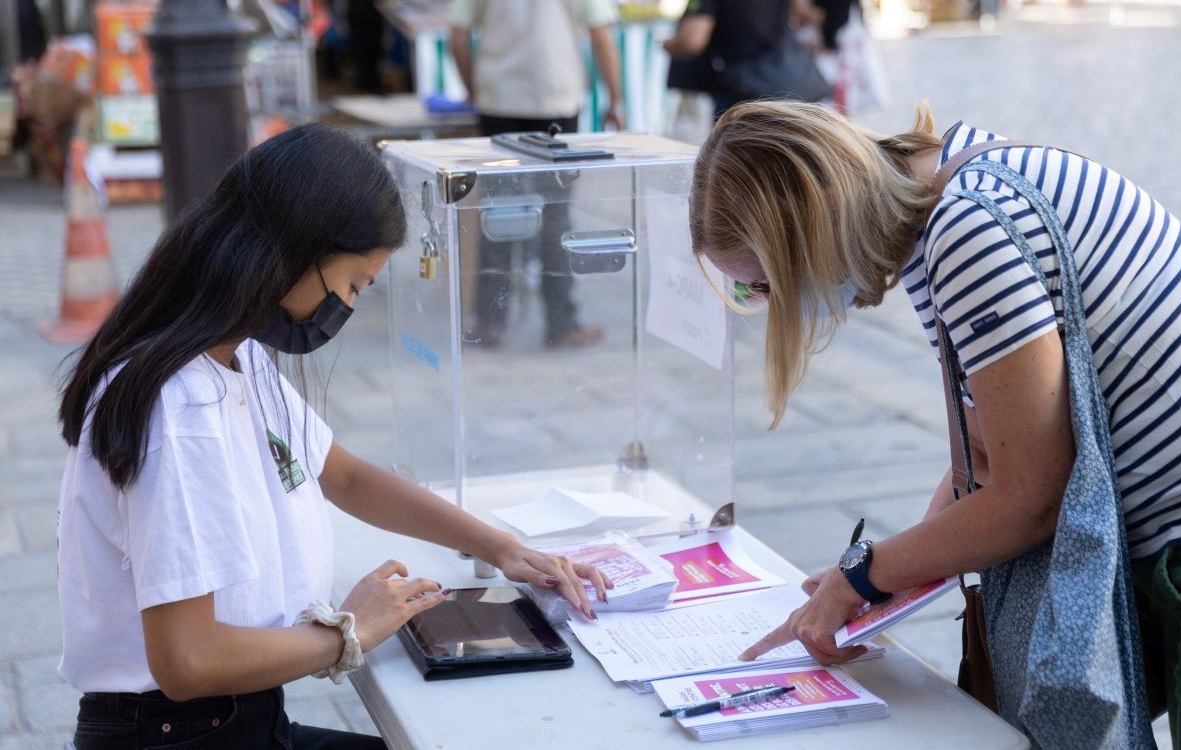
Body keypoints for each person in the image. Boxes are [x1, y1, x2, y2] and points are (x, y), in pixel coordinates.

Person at [55, 123, 610, 750]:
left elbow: (343, 475)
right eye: (351, 285)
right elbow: (187, 662)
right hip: (177, 734)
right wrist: (350, 633)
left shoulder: (237, 355)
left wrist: (502, 548)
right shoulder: (178, 409)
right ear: (294, 251)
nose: (344, 307)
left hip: (236, 721)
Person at [687, 101, 1181, 746]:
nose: (772, 303)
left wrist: (864, 574)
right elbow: (981, 462)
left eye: (765, 283)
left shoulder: (967, 232)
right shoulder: (951, 187)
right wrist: (879, 575)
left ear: (810, 219)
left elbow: (1029, 496)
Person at [448, 0, 623, 349]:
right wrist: (616, 99)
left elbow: (457, 35)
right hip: (553, 95)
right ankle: (561, 323)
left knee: (498, 211)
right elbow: (601, 35)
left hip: (498, 99)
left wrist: (474, 89)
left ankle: (490, 322)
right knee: (555, 213)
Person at [662, 0, 823, 120]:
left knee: (735, 156)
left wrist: (667, 45)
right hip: (780, 79)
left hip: (739, 87)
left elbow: (691, 42)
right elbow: (804, 13)